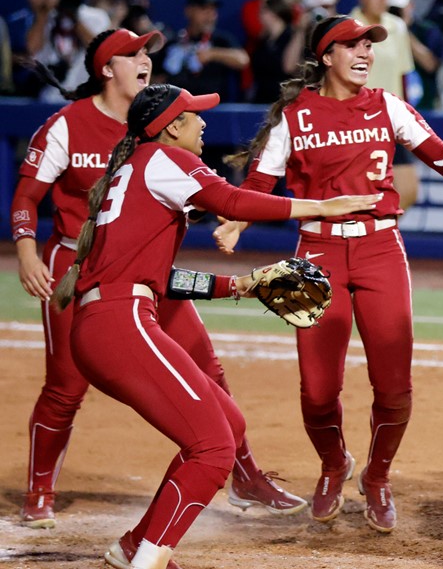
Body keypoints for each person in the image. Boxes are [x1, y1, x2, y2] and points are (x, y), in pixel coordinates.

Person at [48, 82, 378, 569]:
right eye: (194, 116)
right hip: (121, 322)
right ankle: (151, 561)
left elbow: (161, 279)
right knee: (214, 449)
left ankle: (135, 546)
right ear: (170, 127)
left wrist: (240, 285)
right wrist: (322, 208)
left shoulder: (137, 168)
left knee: (229, 424)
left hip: (111, 318)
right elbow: (235, 202)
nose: (203, 123)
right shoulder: (166, 160)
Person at [10, 28, 311, 531]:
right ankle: (40, 490)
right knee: (65, 386)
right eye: (132, 54)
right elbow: (25, 198)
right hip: (76, 268)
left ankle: (244, 474)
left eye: (147, 51)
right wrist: (24, 250)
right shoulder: (68, 125)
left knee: (208, 370)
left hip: (149, 277)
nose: (145, 59)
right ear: (106, 70)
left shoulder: (161, 125)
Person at [213, 15, 443, 533]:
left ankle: (378, 476)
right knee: (317, 389)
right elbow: (259, 182)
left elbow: (442, 156)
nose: (365, 52)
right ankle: (333, 464)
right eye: (352, 45)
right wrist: (237, 222)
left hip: (381, 248)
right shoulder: (294, 116)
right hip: (313, 253)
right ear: (326, 56)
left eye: (369, 45)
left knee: (394, 383)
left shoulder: (387, 105)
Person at [151, 0, 249, 103]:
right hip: (177, 109)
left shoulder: (221, 40)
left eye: (213, 10)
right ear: (189, 11)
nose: (210, 16)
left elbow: (243, 60)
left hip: (214, 110)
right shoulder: (174, 41)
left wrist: (212, 54)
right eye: (204, 9)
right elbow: (153, 75)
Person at [349, 0, 414, 99]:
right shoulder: (348, 27)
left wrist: (405, 110)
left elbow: (403, 74)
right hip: (359, 110)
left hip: (391, 110)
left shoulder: (398, 25)